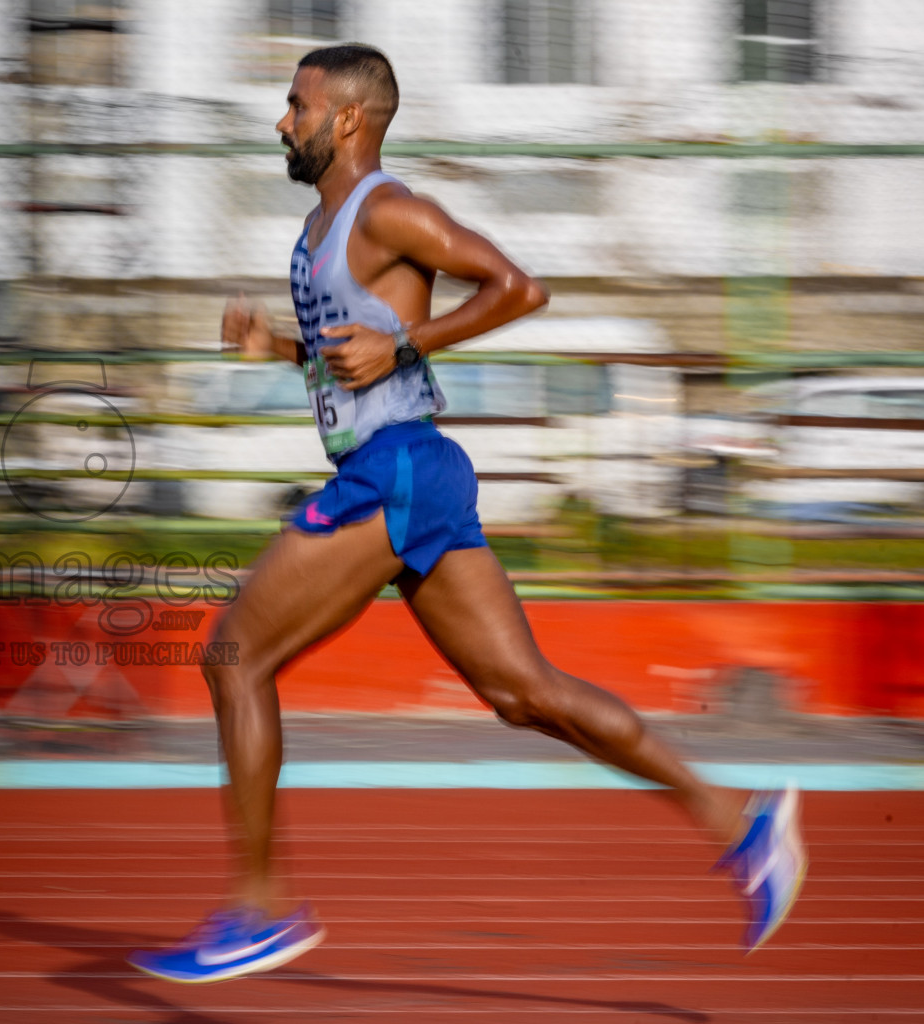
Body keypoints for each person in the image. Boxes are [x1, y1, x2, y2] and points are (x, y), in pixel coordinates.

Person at [126, 43, 806, 985]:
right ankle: (740, 819)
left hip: (395, 473)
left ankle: (261, 909)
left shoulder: (389, 210)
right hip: (413, 473)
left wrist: (406, 340)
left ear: (348, 120)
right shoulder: (314, 232)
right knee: (522, 693)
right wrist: (279, 349)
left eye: (295, 105)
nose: (281, 121)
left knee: (233, 655)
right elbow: (351, 362)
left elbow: (518, 288)